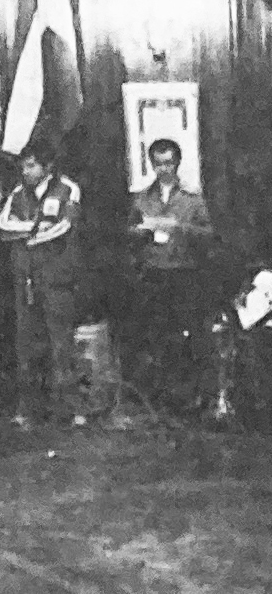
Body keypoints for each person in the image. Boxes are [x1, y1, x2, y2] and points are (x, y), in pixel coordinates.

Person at [0, 141, 83, 427]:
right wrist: (33, 229)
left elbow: (63, 226)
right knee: (27, 343)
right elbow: (3, 225)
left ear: (47, 166)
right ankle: (30, 408)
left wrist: (28, 234)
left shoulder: (67, 189)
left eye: (31, 165)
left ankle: (67, 408)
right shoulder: (17, 193)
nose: (25, 171)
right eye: (23, 166)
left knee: (61, 343)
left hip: (56, 277)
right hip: (25, 278)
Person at [127, 138, 215, 403]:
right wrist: (142, 230)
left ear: (177, 163)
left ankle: (188, 394)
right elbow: (129, 231)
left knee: (185, 333)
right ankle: (160, 394)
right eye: (158, 164)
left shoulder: (192, 197)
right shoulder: (143, 197)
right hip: (153, 272)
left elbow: (208, 233)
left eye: (168, 163)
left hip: (182, 272)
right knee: (157, 334)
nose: (163, 169)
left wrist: (179, 227)